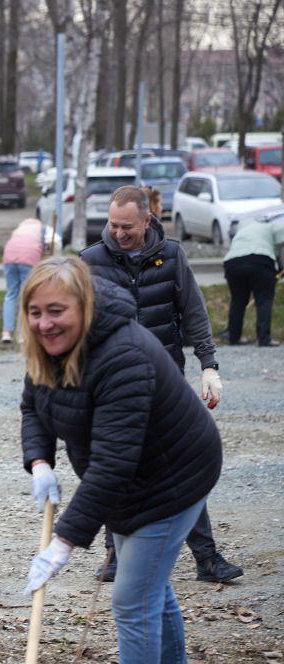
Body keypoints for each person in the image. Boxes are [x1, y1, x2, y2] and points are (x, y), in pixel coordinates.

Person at [20, 256, 220, 664]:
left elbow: (112, 463)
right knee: (152, 588)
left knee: (133, 600)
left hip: (172, 479)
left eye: (57, 311)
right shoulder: (50, 346)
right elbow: (32, 401)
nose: (45, 323)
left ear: (84, 307)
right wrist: (40, 461)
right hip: (129, 484)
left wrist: (64, 541)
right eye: (36, 312)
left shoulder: (124, 354)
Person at [80, 185, 242, 584]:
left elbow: (193, 310)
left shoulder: (170, 254)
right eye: (113, 225)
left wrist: (208, 365)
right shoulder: (90, 261)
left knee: (181, 466)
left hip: (165, 379)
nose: (118, 233)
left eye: (127, 227)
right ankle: (114, 557)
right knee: (118, 465)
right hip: (114, 384)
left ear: (147, 220)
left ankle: (206, 558)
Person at [220, 212, 284, 347]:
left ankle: (234, 337)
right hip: (260, 260)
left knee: (238, 300)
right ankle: (264, 339)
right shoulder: (270, 227)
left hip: (233, 263)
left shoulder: (241, 230)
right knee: (264, 300)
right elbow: (281, 245)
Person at [0, 218, 57, 344]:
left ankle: (6, 332)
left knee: (11, 294)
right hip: (28, 259)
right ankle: (23, 334)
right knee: (26, 296)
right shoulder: (42, 229)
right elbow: (51, 247)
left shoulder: (18, 230)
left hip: (9, 258)